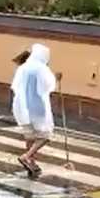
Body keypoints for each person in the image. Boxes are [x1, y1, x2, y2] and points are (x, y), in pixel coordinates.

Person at [11, 43, 59, 178]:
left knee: (30, 135)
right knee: (46, 135)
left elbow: (15, 86)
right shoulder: (41, 69)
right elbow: (50, 86)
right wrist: (57, 79)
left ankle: (32, 162)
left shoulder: (23, 67)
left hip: (21, 107)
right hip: (37, 107)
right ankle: (27, 156)